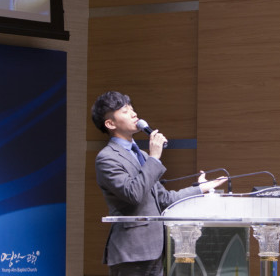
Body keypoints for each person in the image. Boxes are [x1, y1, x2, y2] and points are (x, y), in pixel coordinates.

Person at [91, 91, 227, 275]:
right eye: (125, 111)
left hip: (156, 250)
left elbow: (164, 199)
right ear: (110, 124)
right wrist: (154, 157)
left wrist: (202, 188)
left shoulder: (142, 155)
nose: (133, 114)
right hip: (131, 252)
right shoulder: (107, 158)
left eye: (132, 109)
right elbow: (133, 194)